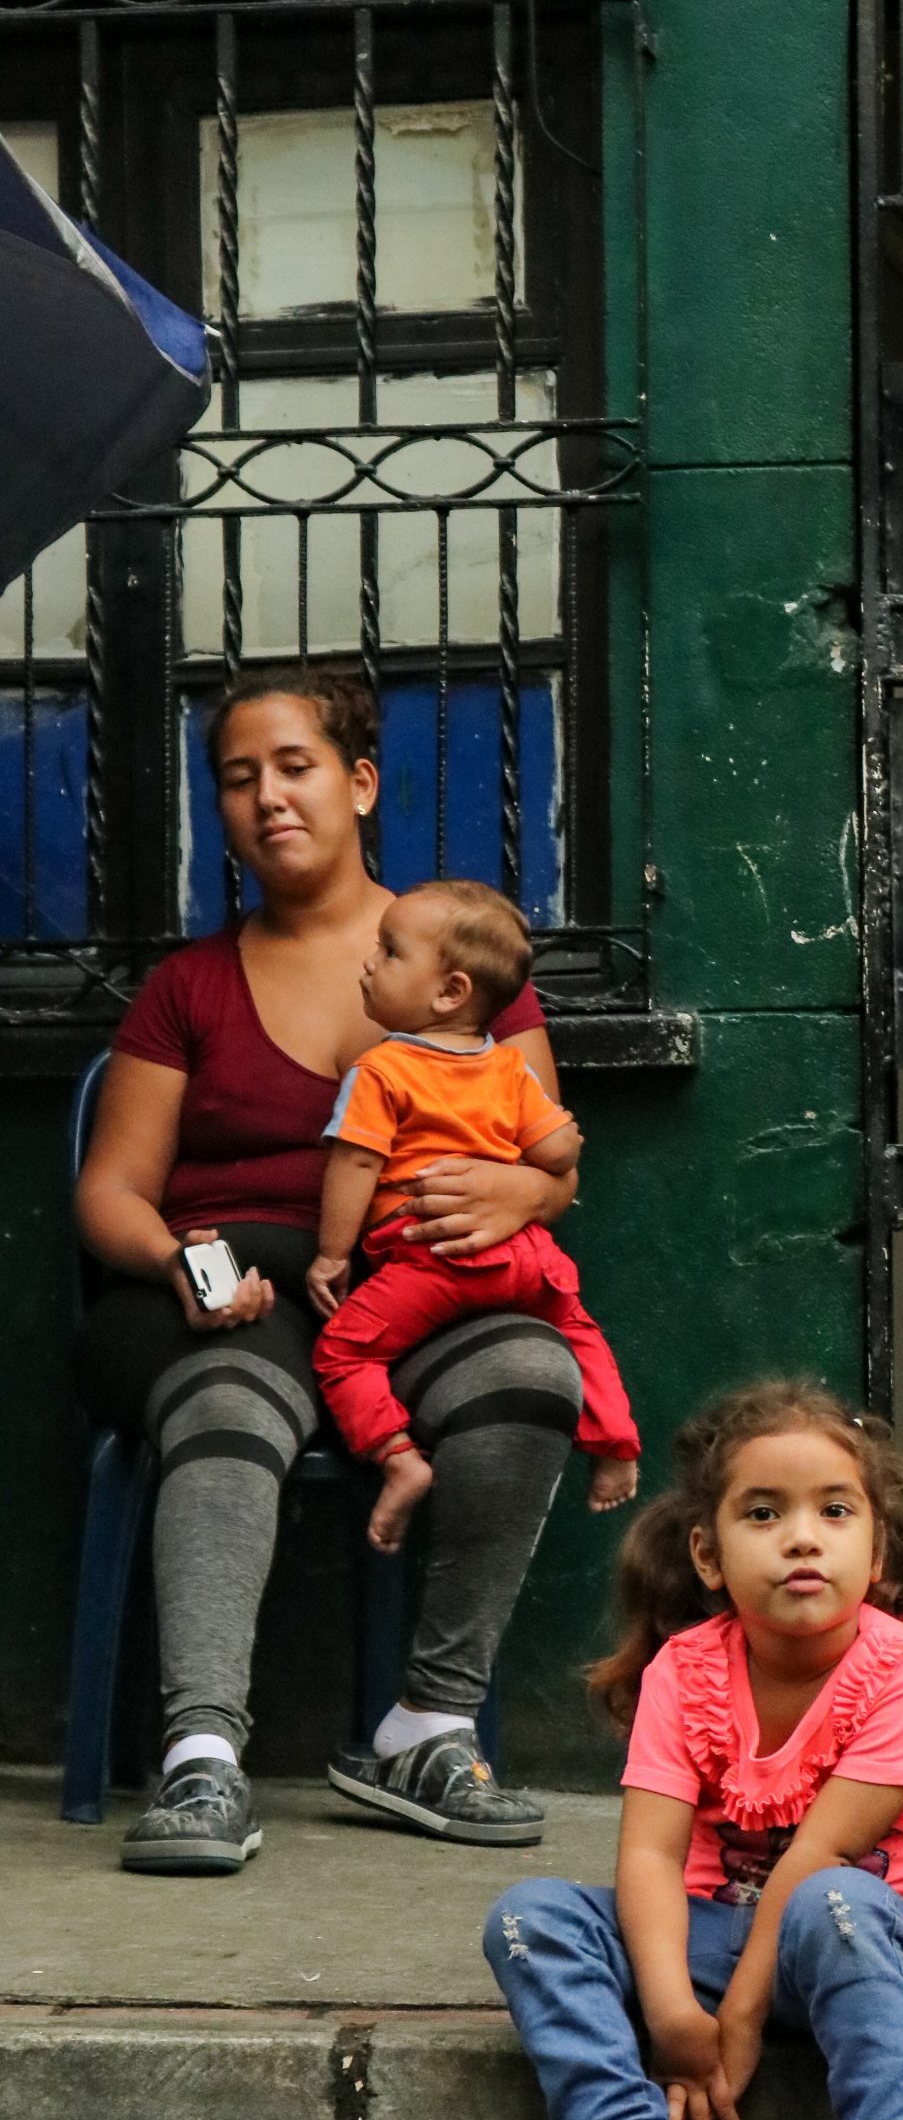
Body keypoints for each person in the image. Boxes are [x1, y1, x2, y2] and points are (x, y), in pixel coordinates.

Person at [76, 667, 583, 1874]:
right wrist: (183, 1259)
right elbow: (112, 1192)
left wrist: (527, 1188)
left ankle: (427, 1725)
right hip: (229, 1289)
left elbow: (548, 1154)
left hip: (417, 1282)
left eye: (295, 767)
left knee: (529, 1373)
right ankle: (202, 1756)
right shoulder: (188, 988)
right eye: (240, 778)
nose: (268, 798)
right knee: (228, 1397)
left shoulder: (463, 961)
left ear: (360, 782)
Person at [483, 1381, 903, 2120]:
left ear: (875, 1551)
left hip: (847, 1947)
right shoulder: (688, 1668)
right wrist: (673, 2012)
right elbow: (649, 1858)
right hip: (712, 1948)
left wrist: (733, 2022)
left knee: (838, 1901)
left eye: (834, 1511)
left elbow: (813, 1864)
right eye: (764, 1512)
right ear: (708, 1554)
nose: (801, 1537)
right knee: (530, 1918)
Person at [308, 877, 639, 1556]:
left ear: (449, 992)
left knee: (343, 1352)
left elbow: (356, 1166)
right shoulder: (510, 1069)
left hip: (429, 1258)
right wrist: (560, 1147)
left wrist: (332, 1254)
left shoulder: (382, 1070)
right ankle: (615, 1445)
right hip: (521, 1257)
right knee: (576, 1330)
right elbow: (554, 1149)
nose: (370, 962)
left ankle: (396, 1456)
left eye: (390, 951)